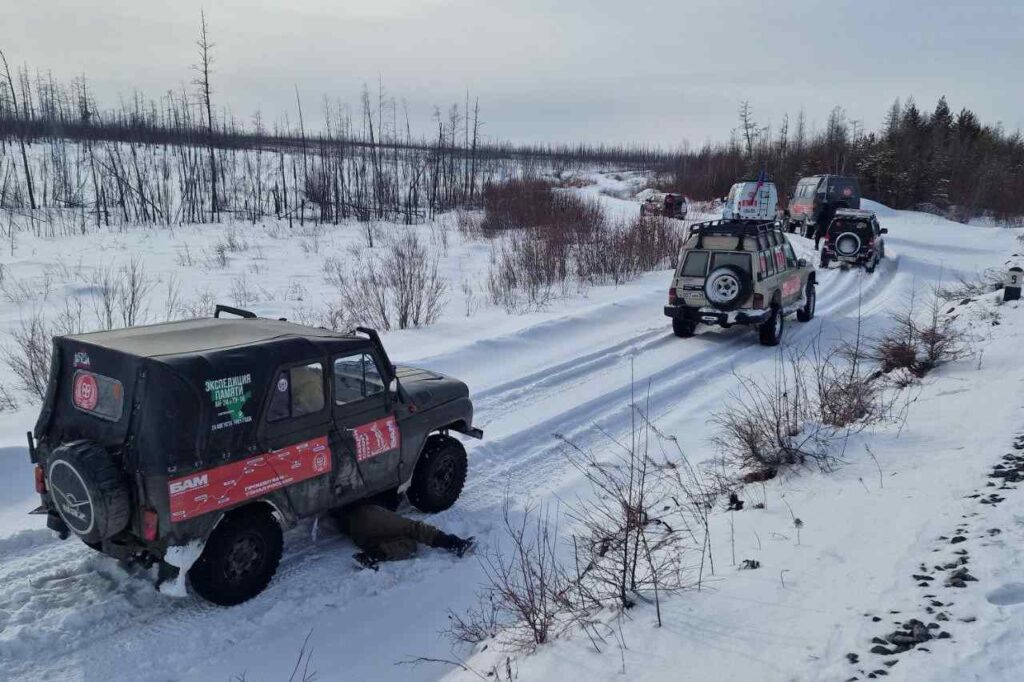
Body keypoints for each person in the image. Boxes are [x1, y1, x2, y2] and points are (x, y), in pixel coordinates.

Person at [336, 502, 474, 570]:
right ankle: (454, 544)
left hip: (354, 527)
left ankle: (371, 555)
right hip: (364, 517)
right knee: (411, 530)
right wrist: (450, 542)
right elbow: (416, 528)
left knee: (410, 544)